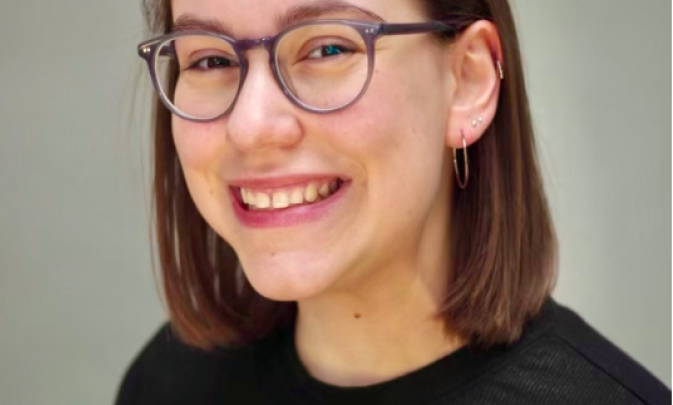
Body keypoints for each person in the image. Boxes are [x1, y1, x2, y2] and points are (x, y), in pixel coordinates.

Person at [116, 0, 670, 404]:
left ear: (467, 80)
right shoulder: (167, 386)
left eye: (328, 48)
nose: (251, 126)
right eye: (210, 61)